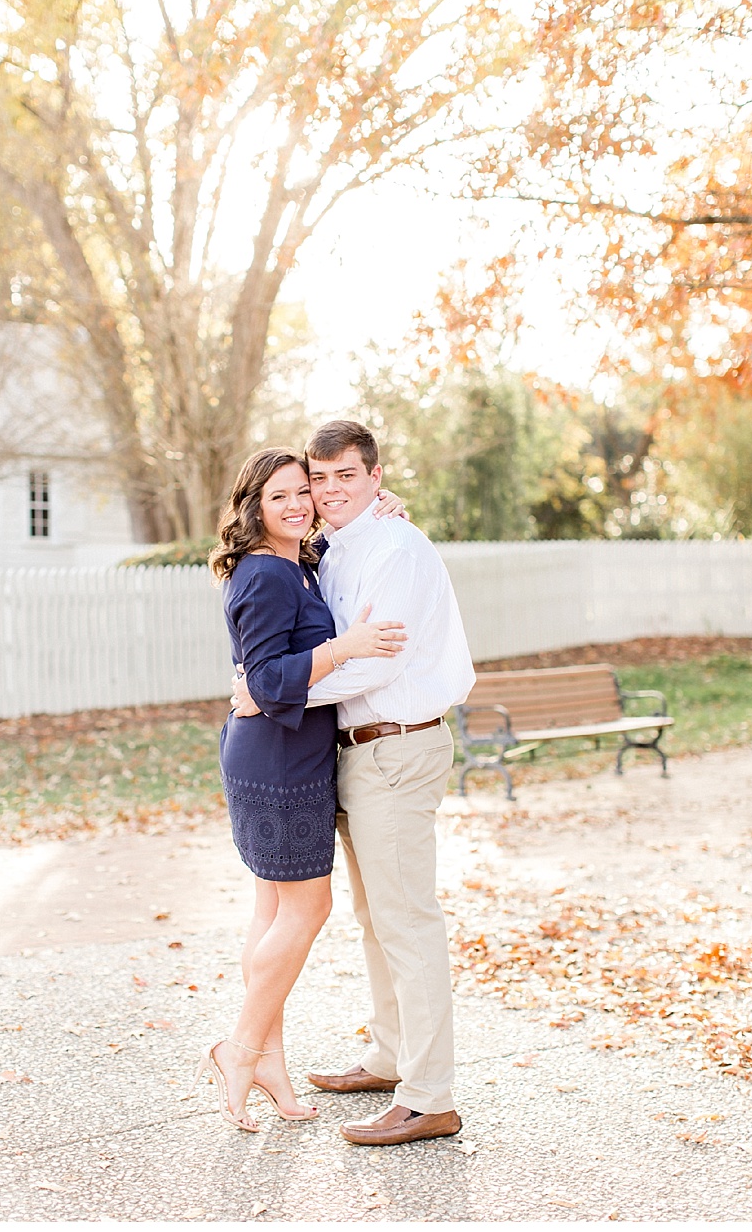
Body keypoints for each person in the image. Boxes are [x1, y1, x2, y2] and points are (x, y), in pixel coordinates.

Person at [233, 420, 476, 1146]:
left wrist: (272, 692)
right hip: (355, 752)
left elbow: (379, 664)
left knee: (407, 922)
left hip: (397, 747)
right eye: (320, 478)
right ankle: (389, 1056)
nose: (330, 491)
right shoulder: (332, 549)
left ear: (375, 476)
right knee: (378, 919)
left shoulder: (395, 549)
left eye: (348, 476)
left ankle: (430, 1096)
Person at [199, 448, 407, 1131]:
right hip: (278, 761)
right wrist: (350, 646)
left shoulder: (299, 562)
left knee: (272, 914)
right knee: (306, 911)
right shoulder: (265, 574)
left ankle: (267, 1062)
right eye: (279, 496)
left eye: (303, 492)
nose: (297, 505)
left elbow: (348, 538)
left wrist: (386, 510)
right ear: (253, 505)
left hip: (287, 750)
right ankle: (241, 1047)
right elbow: (264, 681)